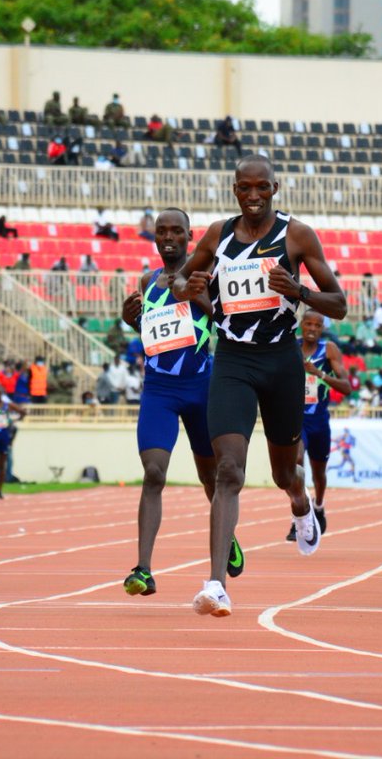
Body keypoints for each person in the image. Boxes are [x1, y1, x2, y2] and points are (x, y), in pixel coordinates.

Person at [171, 155, 346, 617]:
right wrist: (191, 291)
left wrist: (299, 292)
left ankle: (300, 502)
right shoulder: (217, 234)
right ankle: (215, 584)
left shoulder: (297, 235)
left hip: (281, 363)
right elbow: (181, 284)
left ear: (275, 187)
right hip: (232, 360)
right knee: (229, 470)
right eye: (245, 188)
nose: (253, 196)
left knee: (283, 473)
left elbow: (340, 304)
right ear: (234, 190)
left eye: (262, 188)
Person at [118, 208, 240, 597]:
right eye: (161, 231)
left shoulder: (206, 276)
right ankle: (143, 570)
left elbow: (224, 322)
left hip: (202, 388)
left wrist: (192, 292)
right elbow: (154, 330)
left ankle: (227, 539)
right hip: (159, 390)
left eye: (176, 231)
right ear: (155, 238)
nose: (168, 237)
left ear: (190, 237)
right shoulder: (147, 280)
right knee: (154, 472)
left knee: (211, 478)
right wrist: (129, 320)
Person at [288, 308, 352, 541]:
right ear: (301, 325)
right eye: (308, 324)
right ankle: (300, 513)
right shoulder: (290, 347)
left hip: (319, 420)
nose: (312, 329)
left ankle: (319, 504)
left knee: (319, 474)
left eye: (317, 325)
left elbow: (346, 387)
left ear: (322, 328)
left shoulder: (329, 351)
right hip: (296, 418)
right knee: (295, 462)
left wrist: (319, 374)